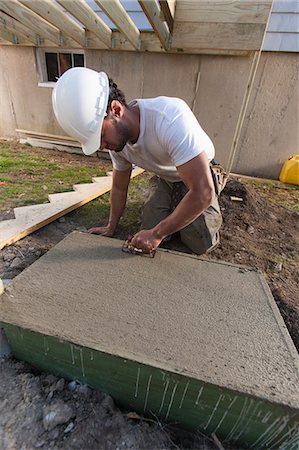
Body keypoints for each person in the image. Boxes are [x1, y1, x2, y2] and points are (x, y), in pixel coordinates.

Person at [52, 67, 225, 255]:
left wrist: (157, 234)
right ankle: (175, 205)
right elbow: (119, 188)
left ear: (116, 110)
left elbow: (203, 192)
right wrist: (111, 226)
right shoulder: (117, 141)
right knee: (149, 227)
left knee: (200, 242)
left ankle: (190, 202)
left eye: (101, 135)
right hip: (167, 176)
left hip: (199, 173)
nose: (101, 146)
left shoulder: (169, 119)